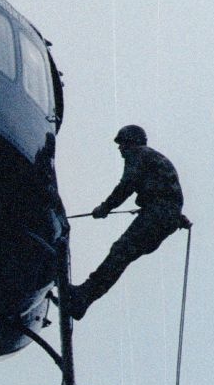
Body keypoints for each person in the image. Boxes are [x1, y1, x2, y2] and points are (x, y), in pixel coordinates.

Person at [66, 126, 191, 319]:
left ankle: (84, 296)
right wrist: (176, 217)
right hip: (166, 217)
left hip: (158, 214)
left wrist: (105, 207)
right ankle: (85, 296)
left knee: (120, 252)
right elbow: (170, 193)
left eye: (122, 143)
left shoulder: (139, 154)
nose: (120, 149)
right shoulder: (154, 158)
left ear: (131, 142)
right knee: (123, 255)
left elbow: (127, 185)